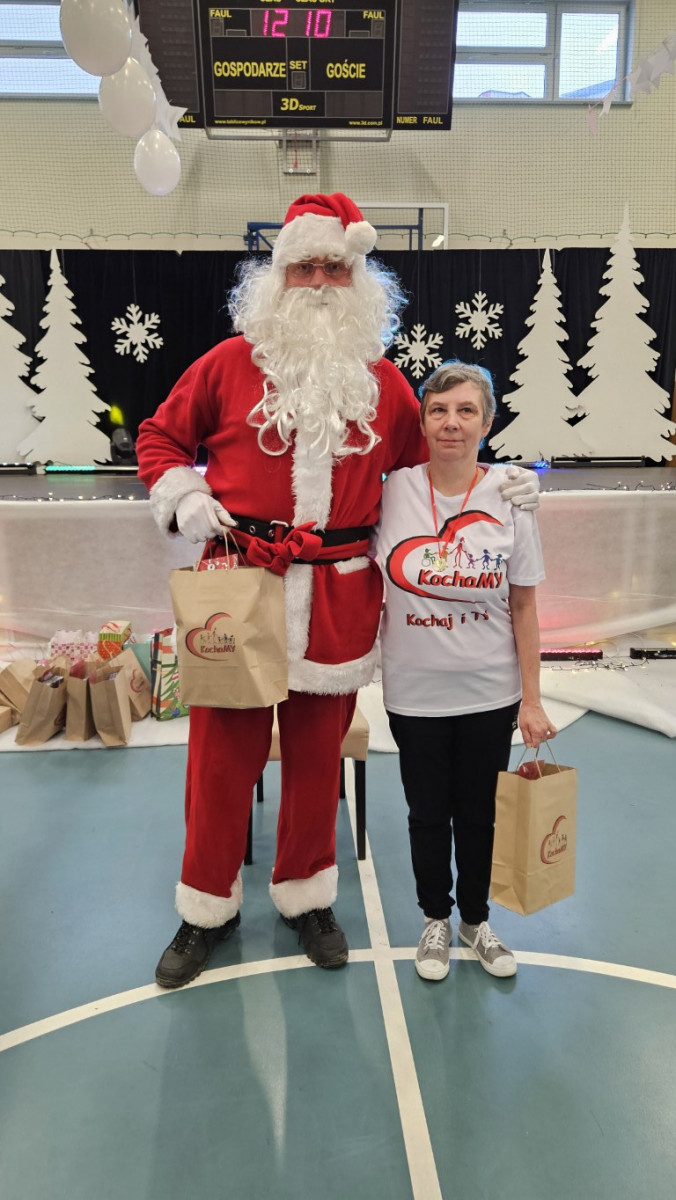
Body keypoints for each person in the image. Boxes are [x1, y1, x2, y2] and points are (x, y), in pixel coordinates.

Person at [135, 195, 541, 988]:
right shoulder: (226, 365)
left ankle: (306, 897)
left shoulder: (383, 384)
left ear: (358, 281)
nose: (319, 283)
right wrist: (186, 498)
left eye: (334, 268)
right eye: (305, 268)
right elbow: (159, 436)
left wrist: (504, 483)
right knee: (219, 762)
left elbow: (439, 464)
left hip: (338, 597)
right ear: (278, 276)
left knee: (318, 762)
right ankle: (206, 909)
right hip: (240, 586)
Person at [375, 361, 556, 982]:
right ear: (422, 422)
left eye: (466, 410)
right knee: (427, 814)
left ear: (487, 421)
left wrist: (532, 699)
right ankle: (436, 918)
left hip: (489, 692)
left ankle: (477, 921)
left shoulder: (510, 498)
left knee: (479, 814)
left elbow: (524, 605)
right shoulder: (390, 491)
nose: (451, 423)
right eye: (438, 410)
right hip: (414, 693)